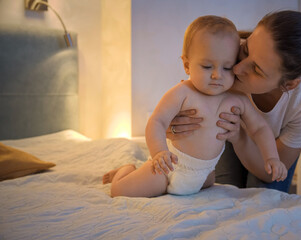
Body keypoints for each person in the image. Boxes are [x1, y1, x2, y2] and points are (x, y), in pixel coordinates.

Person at [102, 15, 287, 197]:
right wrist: (159, 153)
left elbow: (260, 128)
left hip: (204, 174)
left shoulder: (237, 99)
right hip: (170, 168)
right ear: (187, 65)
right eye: (207, 67)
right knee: (119, 191)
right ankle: (126, 169)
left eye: (227, 68)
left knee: (210, 183)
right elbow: (157, 121)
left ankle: (171, 177)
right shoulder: (182, 93)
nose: (217, 75)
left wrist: (272, 157)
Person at [167, 10, 301, 192]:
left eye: (257, 70)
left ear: (288, 84)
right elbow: (180, 104)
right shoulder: (226, 55)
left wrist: (239, 138)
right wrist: (172, 126)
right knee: (223, 191)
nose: (237, 68)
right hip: (224, 132)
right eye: (246, 50)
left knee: (264, 195)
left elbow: (271, 172)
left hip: (270, 147)